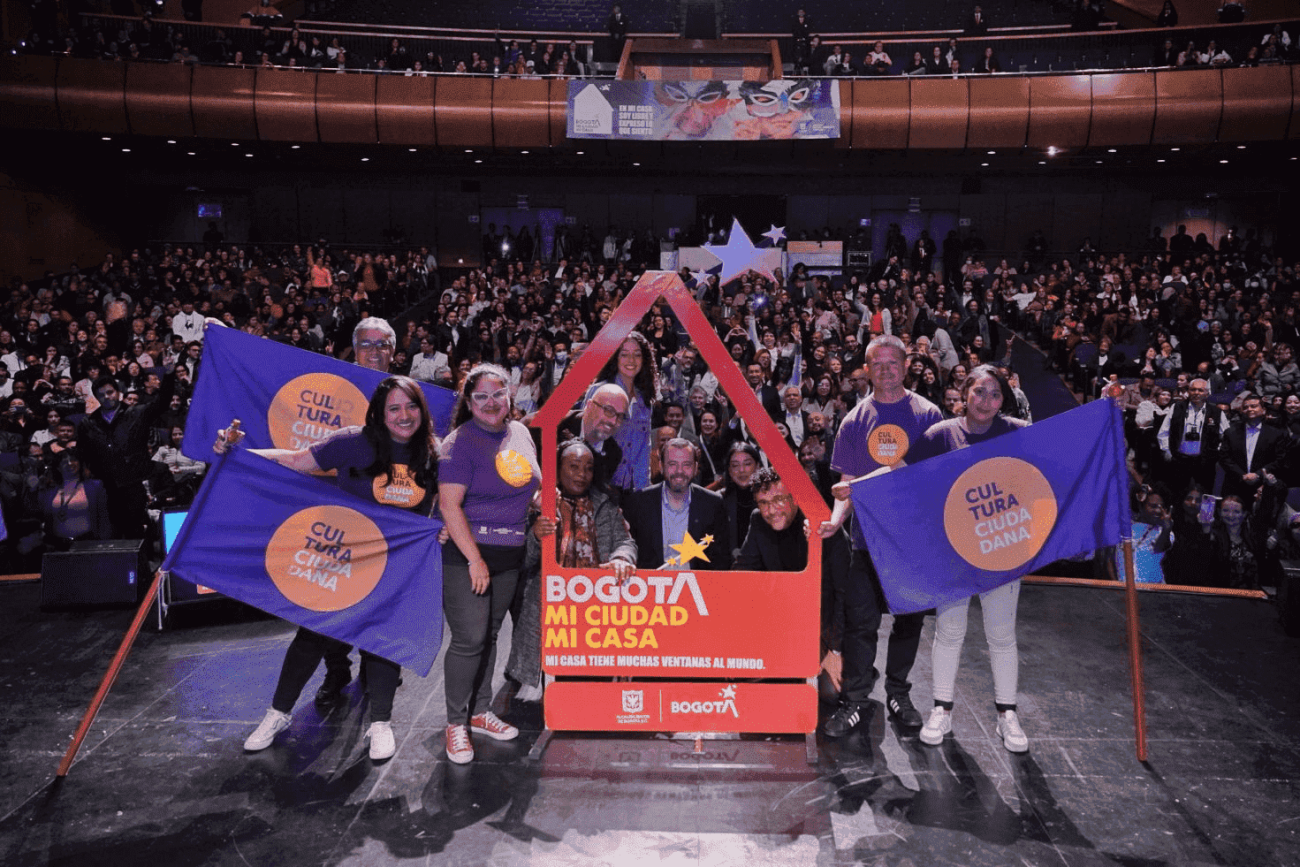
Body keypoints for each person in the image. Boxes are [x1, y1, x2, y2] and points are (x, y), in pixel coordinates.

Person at [234, 376, 439, 761]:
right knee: (312, 635)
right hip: (341, 558)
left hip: (393, 566)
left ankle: (381, 723)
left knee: (382, 642)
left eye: (411, 406)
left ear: (422, 410)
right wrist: (238, 454)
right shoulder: (351, 442)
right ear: (378, 413)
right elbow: (295, 461)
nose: (404, 415)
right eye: (393, 408)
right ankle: (277, 714)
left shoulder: (432, 453)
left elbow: (448, 503)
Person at [820, 335, 942, 737]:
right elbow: (847, 484)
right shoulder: (854, 421)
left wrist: (855, 491)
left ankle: (898, 693)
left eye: (894, 363)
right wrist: (836, 520)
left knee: (908, 624)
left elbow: (919, 472)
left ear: (906, 367)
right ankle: (856, 699)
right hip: (866, 542)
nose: (886, 370)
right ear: (867, 370)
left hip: (913, 544)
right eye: (878, 364)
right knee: (861, 624)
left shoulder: (928, 414)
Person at [909, 364, 1031, 752]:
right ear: (964, 391)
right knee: (949, 632)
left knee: (1001, 635)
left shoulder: (1016, 432)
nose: (986, 401)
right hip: (952, 552)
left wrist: (1107, 408)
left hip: (1001, 549)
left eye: (995, 395)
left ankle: (1007, 714)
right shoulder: (939, 435)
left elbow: (1064, 449)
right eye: (979, 391)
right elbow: (900, 479)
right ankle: (941, 709)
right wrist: (857, 487)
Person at [438, 363, 540, 764]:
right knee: (469, 639)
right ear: (468, 401)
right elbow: (449, 505)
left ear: (509, 395)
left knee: (492, 634)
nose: (490, 403)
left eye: (497, 394)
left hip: (510, 553)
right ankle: (454, 723)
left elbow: (530, 485)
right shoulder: (458, 443)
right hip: (468, 554)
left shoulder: (521, 433)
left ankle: (479, 712)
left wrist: (539, 507)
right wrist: (474, 559)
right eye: (480, 396)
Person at [508, 439, 636, 700]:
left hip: (597, 607)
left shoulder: (606, 505)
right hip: (550, 609)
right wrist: (534, 535)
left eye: (588, 468)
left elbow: (625, 541)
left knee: (592, 694)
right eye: (574, 466)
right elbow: (522, 562)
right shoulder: (539, 505)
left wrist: (622, 557)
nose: (581, 474)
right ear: (557, 468)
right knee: (547, 699)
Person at [737, 467, 849, 693]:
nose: (771, 510)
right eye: (763, 502)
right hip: (782, 622)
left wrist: (834, 651)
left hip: (823, 626)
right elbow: (742, 574)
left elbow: (843, 595)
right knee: (743, 675)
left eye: (778, 499)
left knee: (830, 693)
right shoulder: (758, 521)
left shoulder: (823, 523)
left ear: (795, 497)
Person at [76, 371, 174, 538]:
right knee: (114, 533)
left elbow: (163, 403)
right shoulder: (89, 423)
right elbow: (84, 453)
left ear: (118, 393)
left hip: (135, 482)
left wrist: (170, 374)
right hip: (108, 487)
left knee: (138, 533)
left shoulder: (136, 413)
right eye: (101, 395)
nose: (107, 397)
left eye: (110, 392)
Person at [622, 437, 732, 570]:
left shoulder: (713, 504)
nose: (679, 471)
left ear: (696, 468)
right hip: (653, 586)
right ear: (661, 466)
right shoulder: (638, 502)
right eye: (672, 464)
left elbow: (721, 560)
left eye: (686, 465)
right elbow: (628, 546)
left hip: (697, 586)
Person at [587, 332, 657, 495]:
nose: (631, 361)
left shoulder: (645, 400)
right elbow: (586, 440)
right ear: (615, 358)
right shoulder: (599, 391)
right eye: (624, 354)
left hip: (634, 489)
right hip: (602, 487)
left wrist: (643, 490)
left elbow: (644, 450)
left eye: (637, 355)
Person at [1217, 394, 1289, 501]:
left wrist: (1258, 474)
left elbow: (1279, 460)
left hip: (1263, 486)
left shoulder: (1276, 434)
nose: (1249, 409)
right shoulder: (1231, 432)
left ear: (1263, 410)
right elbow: (1224, 457)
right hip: (1235, 484)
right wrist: (1242, 475)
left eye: (1253, 406)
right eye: (1245, 407)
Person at [38, 448, 111, 550]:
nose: (69, 463)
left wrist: (104, 546)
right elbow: (43, 515)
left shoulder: (95, 486)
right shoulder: (50, 491)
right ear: (58, 467)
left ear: (80, 463)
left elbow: (103, 519)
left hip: (89, 545)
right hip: (58, 547)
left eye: (73, 460)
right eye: (64, 461)